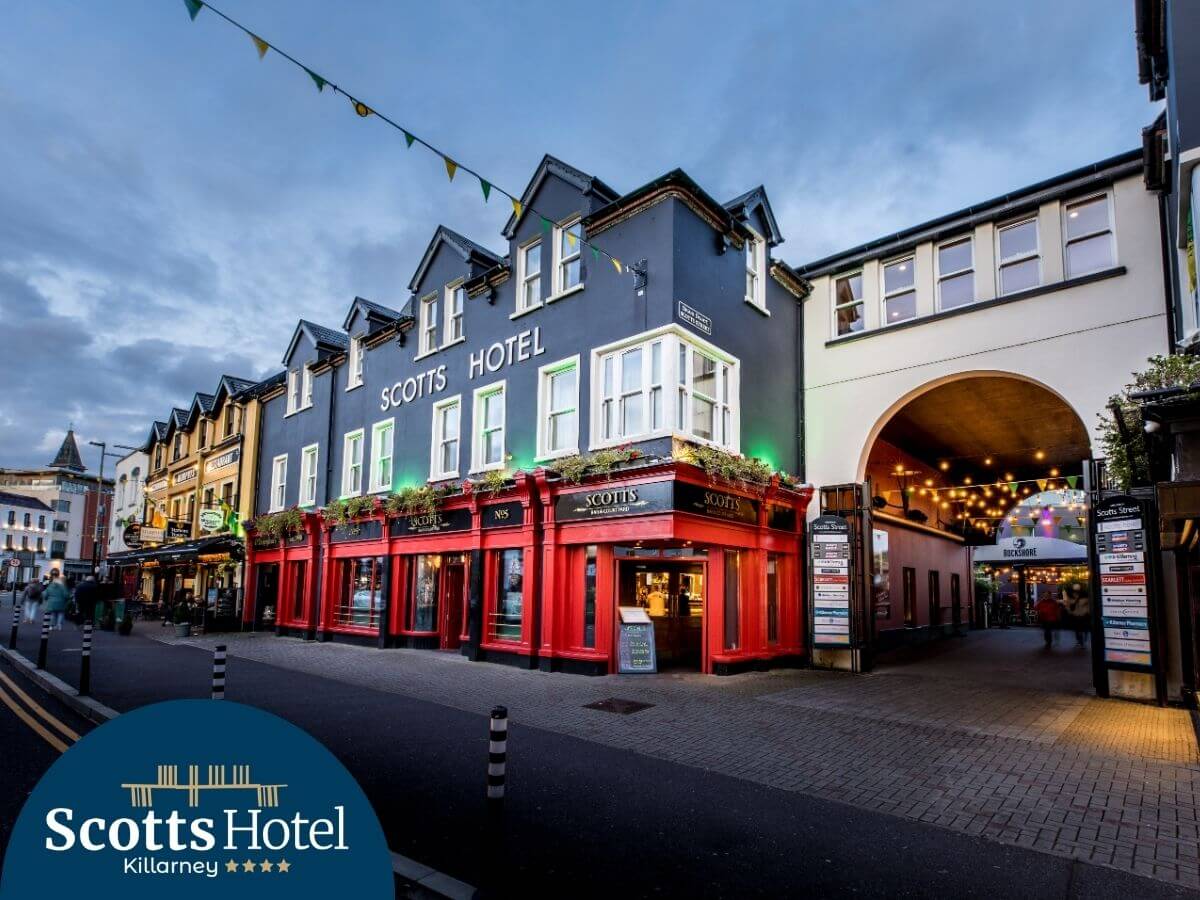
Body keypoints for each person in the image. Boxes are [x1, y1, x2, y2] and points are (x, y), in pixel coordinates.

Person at [1063, 582, 1091, 647]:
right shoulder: (1070, 597)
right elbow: (1067, 605)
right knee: (1077, 630)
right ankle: (1080, 641)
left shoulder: (1085, 597)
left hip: (1083, 615)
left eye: (1077, 591)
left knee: (1082, 629)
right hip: (1075, 615)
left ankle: (1081, 641)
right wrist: (1070, 611)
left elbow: (1089, 605)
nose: (1076, 592)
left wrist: (1087, 612)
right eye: (1075, 591)